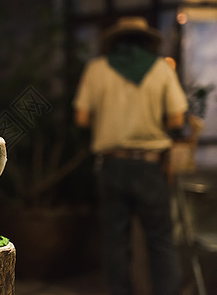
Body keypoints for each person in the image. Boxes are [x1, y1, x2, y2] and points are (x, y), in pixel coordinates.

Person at [73, 17, 188, 295]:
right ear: (147, 40)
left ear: (113, 40)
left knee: (115, 241)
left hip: (112, 165)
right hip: (150, 166)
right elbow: (175, 120)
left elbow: (82, 118)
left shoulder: (96, 69)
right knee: (160, 240)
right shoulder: (162, 69)